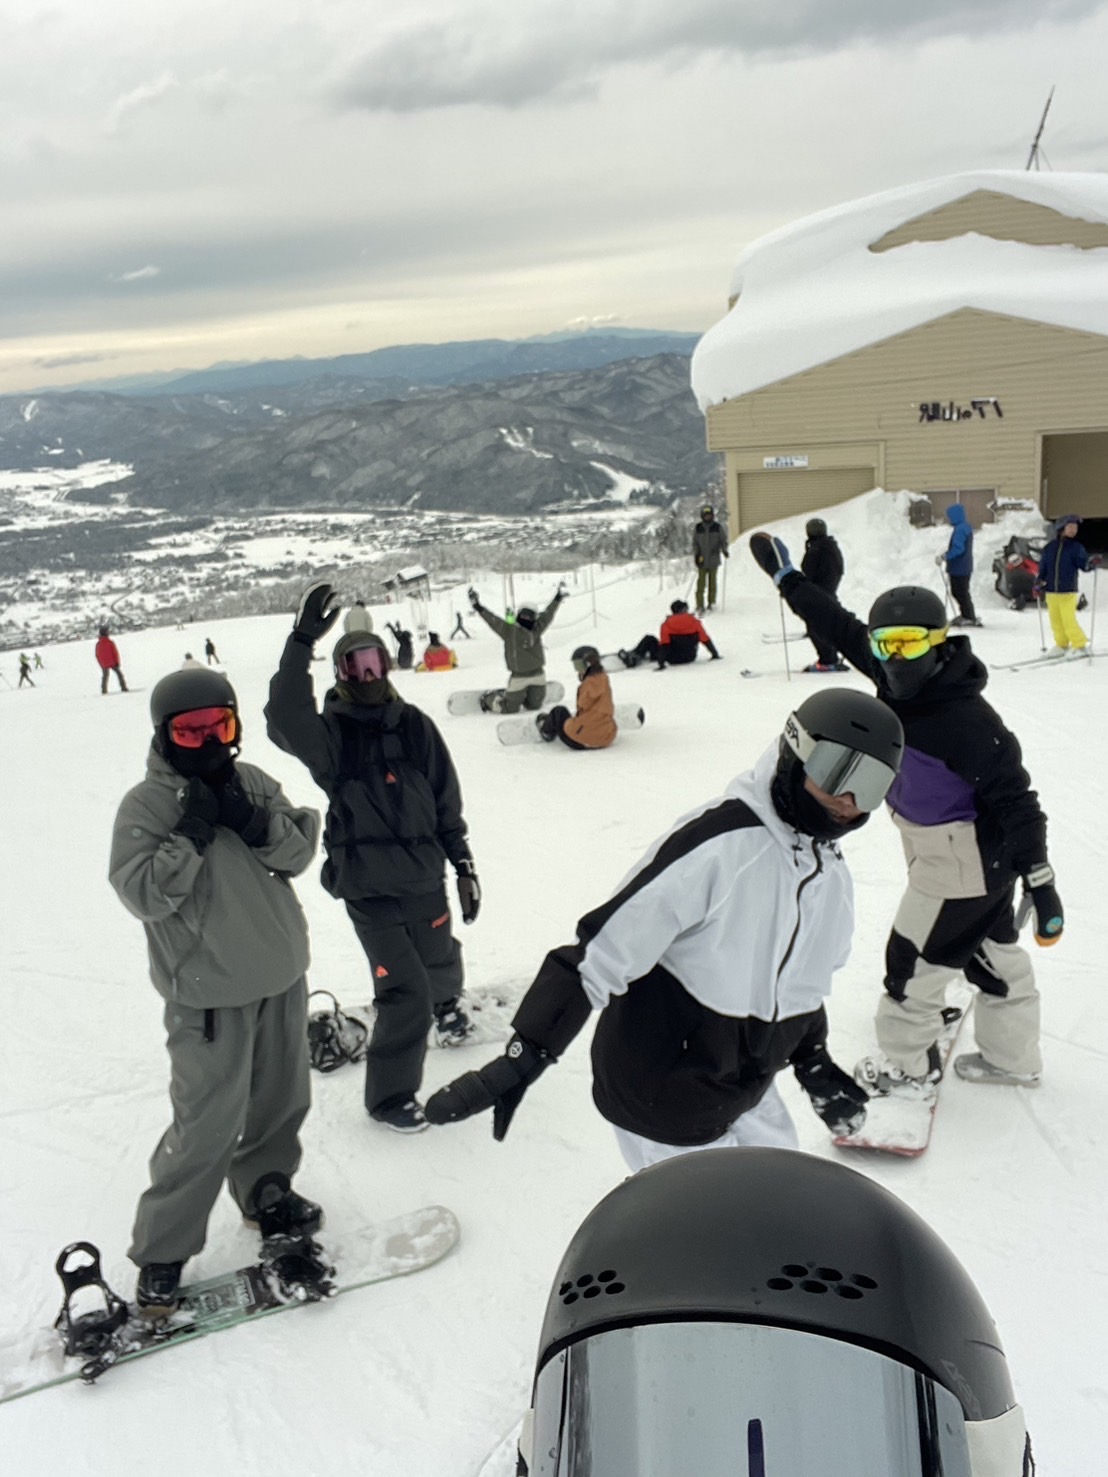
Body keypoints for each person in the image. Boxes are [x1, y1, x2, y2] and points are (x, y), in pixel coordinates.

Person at [426, 689, 903, 1168]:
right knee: (713, 1215)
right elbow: (600, 952)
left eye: (871, 784)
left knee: (783, 1190)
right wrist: (524, 1055)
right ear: (795, 753)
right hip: (663, 1094)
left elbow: (800, 984)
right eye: (836, 771)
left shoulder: (828, 877)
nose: (849, 799)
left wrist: (813, 1060)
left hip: (744, 1086)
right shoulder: (720, 846)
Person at [750, 532, 1063, 1094]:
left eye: (911, 644)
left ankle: (907, 1069)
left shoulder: (969, 722)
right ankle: (1013, 1057)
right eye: (885, 644)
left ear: (940, 644)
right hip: (965, 859)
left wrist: (1040, 881)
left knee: (911, 960)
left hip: (959, 864)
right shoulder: (890, 677)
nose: (895, 658)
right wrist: (787, 579)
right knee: (992, 953)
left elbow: (1018, 799)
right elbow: (836, 620)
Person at [108, 666, 323, 1315]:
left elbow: (298, 852)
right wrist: (191, 833)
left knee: (280, 1101)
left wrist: (253, 822)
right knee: (206, 1123)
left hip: (280, 973)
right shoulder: (146, 806)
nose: (206, 742)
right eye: (189, 731)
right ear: (164, 736)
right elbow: (143, 893)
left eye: (218, 727)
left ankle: (266, 1191)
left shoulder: (251, 781)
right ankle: (164, 1247)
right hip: (207, 993)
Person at [265, 583, 482, 1134]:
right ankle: (389, 1098)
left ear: (386, 666)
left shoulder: (414, 726)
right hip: (368, 887)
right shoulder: (330, 738)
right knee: (405, 992)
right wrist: (301, 640)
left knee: (439, 957)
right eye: (355, 667)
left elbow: (445, 799)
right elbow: (285, 713)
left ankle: (448, 1007)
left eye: (374, 664)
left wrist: (463, 864)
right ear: (340, 674)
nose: (367, 676)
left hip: (424, 875)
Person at [469, 584, 567, 712]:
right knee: (510, 709)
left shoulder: (537, 629)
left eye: (529, 616)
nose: (526, 619)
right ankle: (490, 699)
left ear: (534, 618)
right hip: (519, 677)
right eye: (523, 616)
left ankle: (523, 696)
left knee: (535, 706)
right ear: (518, 616)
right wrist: (478, 606)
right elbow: (493, 620)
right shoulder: (509, 631)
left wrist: (557, 598)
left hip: (538, 674)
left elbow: (548, 614)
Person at [1036, 513, 1102, 656]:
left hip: (1068, 591)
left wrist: (1091, 563)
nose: (1073, 530)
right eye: (1070, 527)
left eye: (1075, 527)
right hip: (1051, 591)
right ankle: (1061, 644)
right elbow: (1043, 568)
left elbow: (1084, 565)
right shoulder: (1049, 548)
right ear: (1061, 528)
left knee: (1068, 620)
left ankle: (1080, 645)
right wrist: (1038, 582)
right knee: (1056, 621)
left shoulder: (1076, 548)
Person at [537, 646, 617, 750]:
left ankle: (546, 731)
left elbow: (583, 704)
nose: (578, 671)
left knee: (559, 711)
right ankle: (594, 733)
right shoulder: (603, 679)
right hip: (606, 737)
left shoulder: (589, 684)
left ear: (588, 664)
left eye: (578, 666)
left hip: (580, 740)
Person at [800, 518, 847, 672]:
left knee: (816, 623)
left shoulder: (816, 549)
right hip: (828, 589)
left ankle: (828, 659)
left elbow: (808, 571)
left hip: (819, 591)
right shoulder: (831, 546)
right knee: (829, 620)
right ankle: (833, 652)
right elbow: (840, 569)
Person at [618, 600, 721, 670]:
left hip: (672, 658)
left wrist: (661, 663)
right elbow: (705, 640)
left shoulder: (666, 624)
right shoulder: (695, 622)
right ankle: (640, 653)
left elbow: (665, 645)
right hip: (690, 657)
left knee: (649, 639)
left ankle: (634, 656)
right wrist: (715, 654)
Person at [939, 504, 980, 627]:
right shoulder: (965, 527)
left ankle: (968, 616)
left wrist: (945, 556)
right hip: (964, 566)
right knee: (961, 592)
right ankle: (966, 614)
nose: (949, 519)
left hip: (959, 567)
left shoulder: (960, 530)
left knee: (959, 592)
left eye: (950, 516)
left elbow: (958, 548)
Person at [693, 502, 729, 613]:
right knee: (701, 584)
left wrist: (724, 550)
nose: (708, 517)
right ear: (702, 516)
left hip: (714, 560)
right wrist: (697, 555)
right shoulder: (698, 528)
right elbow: (695, 543)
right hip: (702, 560)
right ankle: (699, 605)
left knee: (712, 583)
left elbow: (723, 541)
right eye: (706, 515)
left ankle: (711, 603)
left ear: (712, 515)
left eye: (709, 515)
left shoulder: (717, 527)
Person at [95, 624, 128, 694]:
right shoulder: (110, 642)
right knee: (119, 675)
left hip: (104, 664)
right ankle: (123, 687)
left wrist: (101, 664)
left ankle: (104, 690)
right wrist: (117, 662)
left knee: (105, 677)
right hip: (113, 662)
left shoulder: (98, 644)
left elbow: (97, 655)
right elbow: (115, 653)